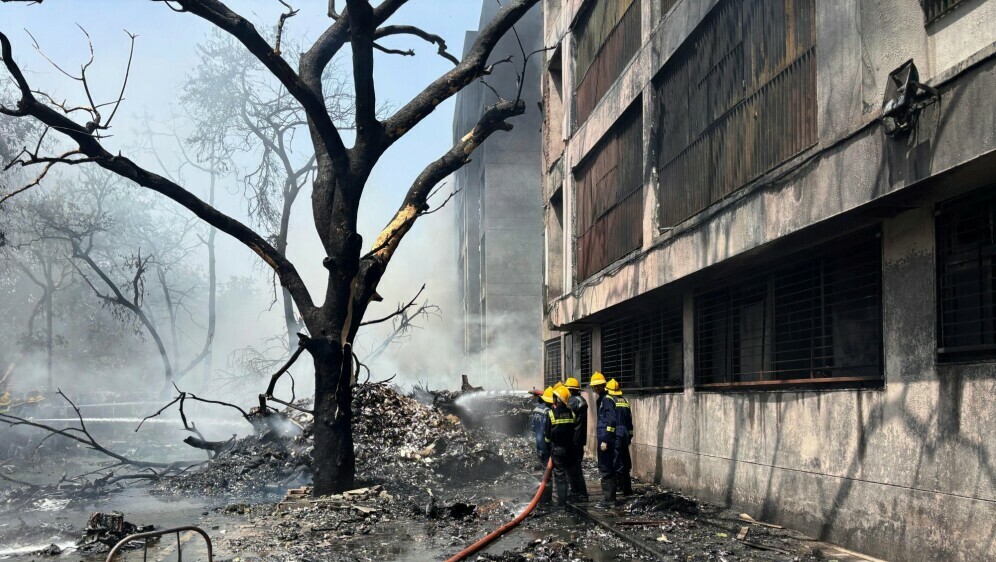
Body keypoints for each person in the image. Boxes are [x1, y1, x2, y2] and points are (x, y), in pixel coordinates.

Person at [590, 371, 617, 507]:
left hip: (605, 440)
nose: (597, 388)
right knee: (604, 467)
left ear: (603, 385)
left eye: (599, 386)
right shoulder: (602, 399)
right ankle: (609, 498)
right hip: (602, 438)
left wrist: (605, 440)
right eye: (595, 386)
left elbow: (611, 421)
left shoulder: (606, 400)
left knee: (606, 468)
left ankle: (609, 499)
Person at [548, 386, 576, 508]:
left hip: (558, 449)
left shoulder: (551, 414)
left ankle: (561, 503)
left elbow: (547, 435)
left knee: (560, 476)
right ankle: (571, 496)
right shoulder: (572, 413)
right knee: (569, 473)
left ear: (558, 399)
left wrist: (549, 446)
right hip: (570, 449)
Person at [606, 379, 634, 496]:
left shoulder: (610, 399)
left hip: (617, 433)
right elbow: (629, 420)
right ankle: (627, 489)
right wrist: (630, 435)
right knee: (625, 461)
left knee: (617, 461)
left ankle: (619, 487)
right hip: (625, 434)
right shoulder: (624, 400)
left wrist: (607, 436)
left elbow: (611, 420)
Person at [564, 377, 588, 501]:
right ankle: (578, 492)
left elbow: (568, 418)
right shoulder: (581, 400)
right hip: (579, 438)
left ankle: (579, 493)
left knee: (573, 467)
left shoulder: (573, 402)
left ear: (570, 390)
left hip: (574, 439)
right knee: (574, 466)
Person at [532, 387, 555, 504]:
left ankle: (542, 496)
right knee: (548, 473)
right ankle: (546, 498)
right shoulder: (548, 412)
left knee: (543, 469)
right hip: (547, 446)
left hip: (539, 445)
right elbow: (549, 430)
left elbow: (533, 428)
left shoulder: (536, 410)